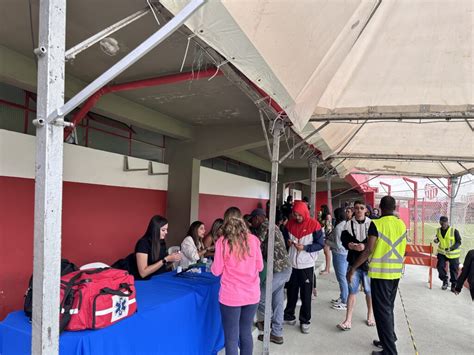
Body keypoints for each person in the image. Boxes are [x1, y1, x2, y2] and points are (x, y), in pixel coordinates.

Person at [347, 196, 407, 355]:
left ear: (380, 207)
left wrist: (353, 268)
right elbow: (404, 249)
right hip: (395, 274)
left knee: (382, 312)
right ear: (394, 207)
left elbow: (368, 250)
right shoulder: (401, 224)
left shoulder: (377, 224)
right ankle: (389, 338)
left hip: (381, 274)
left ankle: (390, 351)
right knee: (389, 308)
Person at [211, 207, 263, 355]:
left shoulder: (222, 242)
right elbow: (260, 266)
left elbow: (216, 271)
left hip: (231, 296)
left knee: (231, 337)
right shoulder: (253, 240)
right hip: (252, 295)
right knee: (245, 332)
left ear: (226, 221)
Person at [250, 209, 292, 345]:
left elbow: (256, 244)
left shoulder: (264, 226)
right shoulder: (272, 225)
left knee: (259, 297)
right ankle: (277, 333)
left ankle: (269, 323)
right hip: (283, 269)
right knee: (277, 302)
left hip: (278, 270)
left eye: (253, 220)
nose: (253, 223)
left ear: (259, 218)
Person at [283, 201, 324, 334]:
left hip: (306, 265)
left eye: (299, 215)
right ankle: (289, 316)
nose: (297, 217)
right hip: (292, 265)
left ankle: (305, 320)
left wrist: (305, 248)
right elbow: (283, 238)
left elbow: (320, 244)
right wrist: (288, 242)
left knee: (306, 294)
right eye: (295, 215)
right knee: (291, 291)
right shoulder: (289, 224)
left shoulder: (315, 225)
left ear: (305, 213)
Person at [337, 200, 375, 330]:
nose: (359, 210)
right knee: (351, 292)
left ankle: (370, 315)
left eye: (361, 208)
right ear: (354, 210)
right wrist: (350, 245)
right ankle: (348, 320)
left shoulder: (371, 224)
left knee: (369, 292)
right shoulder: (348, 225)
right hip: (353, 262)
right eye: (357, 208)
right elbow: (344, 239)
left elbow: (374, 243)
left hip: (368, 264)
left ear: (366, 210)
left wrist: (364, 246)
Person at [121, 215, 182, 280]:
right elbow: (143, 273)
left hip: (158, 278)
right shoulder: (143, 243)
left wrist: (172, 259)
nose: (166, 232)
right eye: (163, 230)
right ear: (155, 230)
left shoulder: (161, 242)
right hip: (144, 281)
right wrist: (166, 259)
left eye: (167, 229)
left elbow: (162, 266)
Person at [326, 208, 349, 311]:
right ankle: (343, 297)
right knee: (343, 278)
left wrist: (327, 242)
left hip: (339, 254)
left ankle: (345, 301)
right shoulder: (346, 224)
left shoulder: (339, 227)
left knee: (342, 278)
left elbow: (338, 245)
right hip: (345, 254)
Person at [433, 216, 462, 291]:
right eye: (442, 223)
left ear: (447, 222)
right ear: (440, 222)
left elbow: (459, 242)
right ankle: (445, 280)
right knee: (440, 266)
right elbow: (439, 238)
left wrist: (451, 248)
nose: (443, 224)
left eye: (445, 223)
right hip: (442, 253)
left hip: (453, 253)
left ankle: (453, 285)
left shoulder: (454, 231)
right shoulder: (438, 230)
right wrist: (436, 240)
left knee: (453, 269)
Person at [319, 204, 332, 275]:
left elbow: (328, 228)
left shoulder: (328, 216)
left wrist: (327, 238)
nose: (321, 210)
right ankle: (327, 268)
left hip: (327, 236)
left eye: (322, 209)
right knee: (326, 252)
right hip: (324, 235)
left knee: (327, 252)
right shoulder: (324, 216)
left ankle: (327, 269)